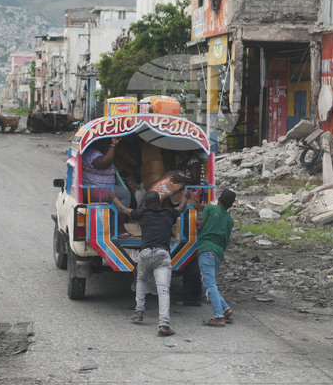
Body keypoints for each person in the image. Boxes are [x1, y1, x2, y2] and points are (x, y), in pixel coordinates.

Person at [115, 190, 196, 337]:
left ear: (145, 205)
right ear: (159, 203)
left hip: (145, 254)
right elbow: (182, 208)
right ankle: (164, 326)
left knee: (141, 279)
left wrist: (114, 197)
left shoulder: (142, 214)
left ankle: (139, 311)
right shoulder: (169, 213)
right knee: (163, 290)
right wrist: (184, 197)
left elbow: (123, 209)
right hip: (162, 254)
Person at [195, 188, 236, 327]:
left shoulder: (210, 208)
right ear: (230, 205)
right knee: (206, 284)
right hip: (218, 253)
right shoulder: (230, 221)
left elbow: (199, 226)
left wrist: (199, 214)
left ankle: (218, 317)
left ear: (218, 198)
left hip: (206, 250)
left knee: (210, 283)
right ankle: (225, 309)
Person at [81, 137, 119, 202]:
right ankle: (123, 212)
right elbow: (103, 163)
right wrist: (113, 145)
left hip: (99, 189)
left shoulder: (98, 153)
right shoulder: (92, 153)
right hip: (95, 190)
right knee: (126, 194)